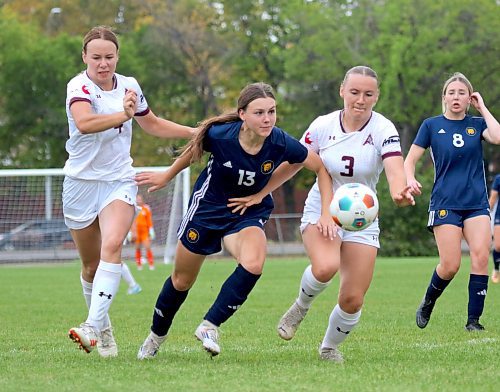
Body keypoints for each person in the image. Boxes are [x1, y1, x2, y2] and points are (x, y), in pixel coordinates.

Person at [135, 82, 335, 359]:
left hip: (247, 212)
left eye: (272, 112)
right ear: (242, 114)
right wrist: (166, 175)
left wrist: (325, 211)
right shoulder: (221, 135)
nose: (267, 119)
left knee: (253, 263)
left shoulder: (280, 141)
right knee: (182, 280)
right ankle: (156, 337)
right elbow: (193, 151)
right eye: (259, 113)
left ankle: (209, 326)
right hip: (208, 209)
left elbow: (318, 167)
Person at [229, 66, 415, 363]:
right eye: (354, 92)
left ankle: (329, 347)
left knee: (353, 299)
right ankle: (300, 307)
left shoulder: (384, 129)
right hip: (321, 209)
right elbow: (294, 163)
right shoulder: (321, 126)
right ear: (342, 91)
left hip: (362, 217)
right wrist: (261, 192)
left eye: (368, 94)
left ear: (377, 96)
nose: (360, 99)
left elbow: (395, 171)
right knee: (326, 266)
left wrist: (399, 192)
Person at [63, 25, 195, 357]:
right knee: (91, 266)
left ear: (117, 56)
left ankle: (91, 326)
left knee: (113, 246)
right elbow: (85, 123)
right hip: (80, 184)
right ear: (85, 57)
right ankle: (103, 328)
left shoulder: (130, 86)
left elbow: (150, 123)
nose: (103, 63)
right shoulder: (78, 86)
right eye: (96, 57)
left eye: (109, 57)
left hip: (118, 180)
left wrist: (195, 132)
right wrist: (122, 113)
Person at [405, 72, 500, 331]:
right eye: (451, 92)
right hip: (445, 202)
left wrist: (483, 107)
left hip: (476, 203)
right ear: (444, 97)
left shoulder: (478, 124)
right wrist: (410, 179)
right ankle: (428, 301)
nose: (456, 97)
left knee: (481, 257)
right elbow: (410, 159)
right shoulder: (431, 125)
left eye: (462, 93)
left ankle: (473, 321)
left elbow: (498, 136)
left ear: (469, 99)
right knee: (450, 265)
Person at [129, 194, 156, 270]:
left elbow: (149, 220)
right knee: (137, 248)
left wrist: (151, 230)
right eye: (137, 199)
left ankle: (151, 264)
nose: (138, 200)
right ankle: (139, 265)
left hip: (144, 232)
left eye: (140, 199)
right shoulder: (133, 209)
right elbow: (131, 220)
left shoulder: (146, 208)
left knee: (147, 247)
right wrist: (130, 231)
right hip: (136, 232)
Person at [488, 174, 500, 283]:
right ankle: (496, 269)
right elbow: (492, 199)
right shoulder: (498, 178)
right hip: (499, 216)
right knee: (498, 245)